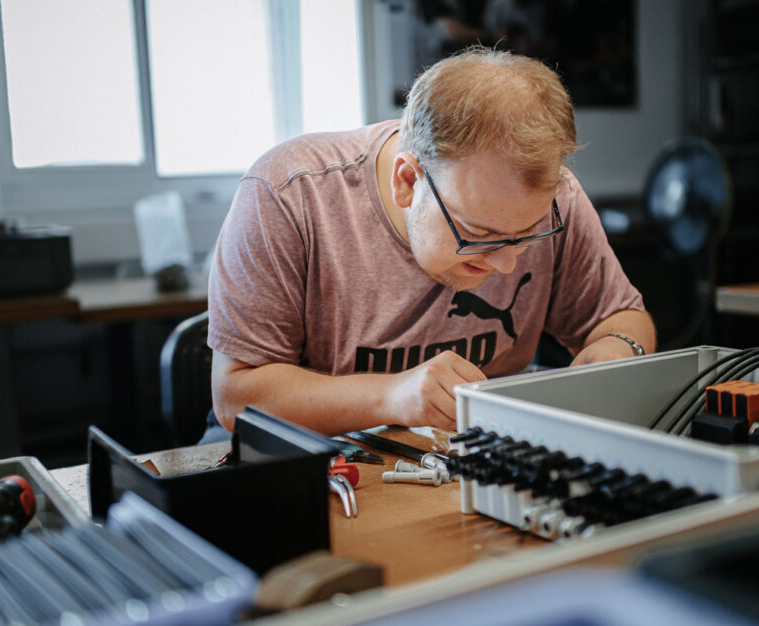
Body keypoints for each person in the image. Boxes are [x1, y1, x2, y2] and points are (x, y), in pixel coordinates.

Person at [205, 46, 655, 440]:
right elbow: (236, 397)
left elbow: (623, 318)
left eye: (528, 234)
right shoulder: (289, 194)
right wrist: (393, 397)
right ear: (407, 181)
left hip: (465, 458)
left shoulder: (554, 200)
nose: (506, 264)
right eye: (478, 235)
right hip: (311, 460)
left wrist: (616, 352)